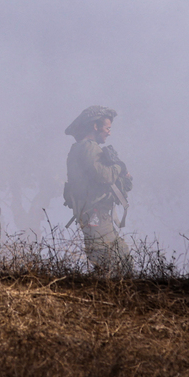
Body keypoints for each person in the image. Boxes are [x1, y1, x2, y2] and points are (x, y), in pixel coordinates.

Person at [64, 105, 134, 276]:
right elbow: (104, 175)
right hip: (94, 214)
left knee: (123, 258)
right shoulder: (88, 146)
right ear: (95, 126)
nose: (109, 132)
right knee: (108, 262)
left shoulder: (82, 147)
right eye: (107, 128)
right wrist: (118, 166)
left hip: (99, 214)